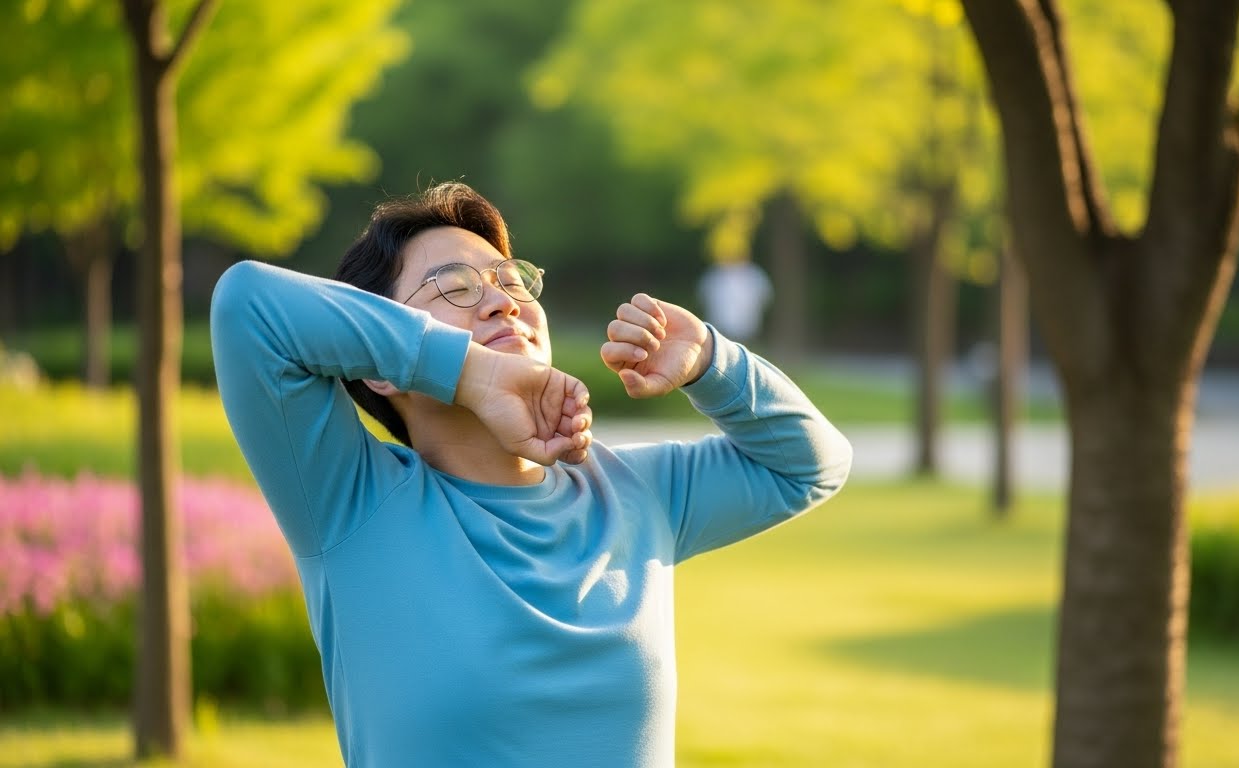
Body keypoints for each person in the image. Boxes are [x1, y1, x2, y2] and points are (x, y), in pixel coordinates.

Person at [209, 181, 852, 767]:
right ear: (378, 362)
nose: (502, 302)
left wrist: (714, 360)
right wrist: (475, 373)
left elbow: (809, 466)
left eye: (512, 281)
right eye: (455, 287)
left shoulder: (635, 493)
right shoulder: (349, 502)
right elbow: (247, 306)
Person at [697, 259, 772, 342]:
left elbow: (764, 296)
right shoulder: (713, 275)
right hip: (720, 327)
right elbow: (704, 296)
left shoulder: (754, 274)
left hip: (747, 327)